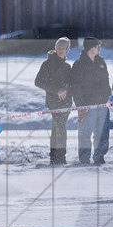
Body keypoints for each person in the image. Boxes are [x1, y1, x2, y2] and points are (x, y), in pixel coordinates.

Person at [71, 36, 111, 165]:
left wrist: (105, 97)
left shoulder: (101, 62)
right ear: (90, 48)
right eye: (98, 46)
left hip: (102, 105)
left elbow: (106, 82)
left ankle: (99, 157)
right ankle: (84, 160)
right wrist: (81, 106)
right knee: (85, 135)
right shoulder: (79, 65)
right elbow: (75, 87)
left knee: (103, 134)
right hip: (86, 107)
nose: (100, 49)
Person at [34, 36, 73, 165]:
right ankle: (58, 158)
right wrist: (57, 90)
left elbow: (71, 84)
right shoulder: (47, 64)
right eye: (58, 47)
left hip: (66, 104)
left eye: (63, 48)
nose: (60, 50)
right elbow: (38, 82)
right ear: (55, 48)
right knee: (59, 129)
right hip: (54, 103)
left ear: (67, 50)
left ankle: (57, 157)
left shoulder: (68, 66)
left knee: (59, 130)